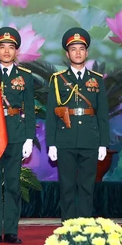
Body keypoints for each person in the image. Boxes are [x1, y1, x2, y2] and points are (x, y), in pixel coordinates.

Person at [46, 27, 109, 221]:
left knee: (87, 186)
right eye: (73, 49)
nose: (78, 52)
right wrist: (52, 143)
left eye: (81, 48)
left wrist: (103, 143)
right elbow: (51, 113)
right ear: (67, 53)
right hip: (65, 139)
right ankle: (68, 225)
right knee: (67, 185)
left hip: (90, 138)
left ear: (87, 52)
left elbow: (103, 114)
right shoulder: (57, 80)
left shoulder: (97, 80)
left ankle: (83, 225)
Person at [0, 27, 36, 244]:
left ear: (16, 51)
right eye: (2, 47)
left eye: (10, 47)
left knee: (12, 184)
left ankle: (11, 230)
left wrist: (29, 138)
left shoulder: (25, 76)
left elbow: (30, 109)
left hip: (15, 134)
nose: (6, 51)